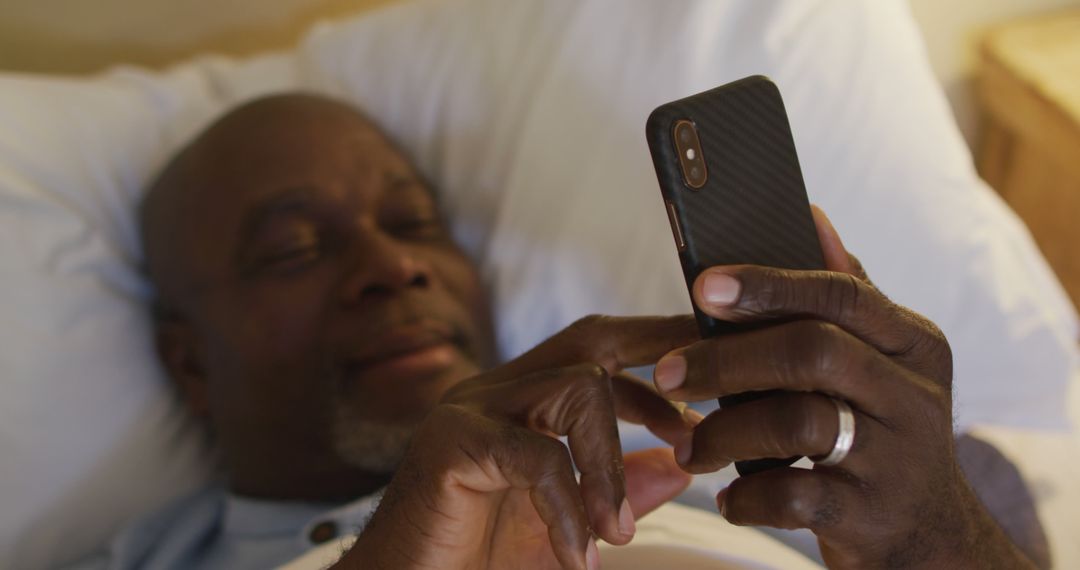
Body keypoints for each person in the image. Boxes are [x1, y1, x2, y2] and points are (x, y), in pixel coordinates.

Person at [91, 93, 1046, 569]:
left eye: (416, 224)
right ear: (190, 363)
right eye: (293, 250)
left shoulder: (792, 496)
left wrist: (934, 538)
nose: (394, 267)